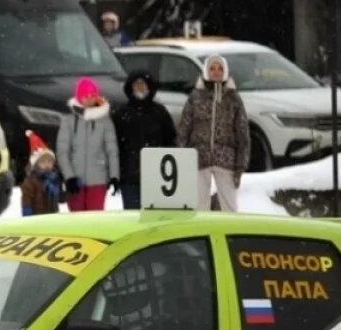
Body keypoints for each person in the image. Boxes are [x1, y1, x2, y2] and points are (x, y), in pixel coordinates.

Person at [177, 55, 250, 212]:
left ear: (225, 72)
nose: (216, 72)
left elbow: (242, 133)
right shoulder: (195, 96)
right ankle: (200, 233)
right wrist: (182, 156)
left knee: (229, 206)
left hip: (226, 160)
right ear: (205, 71)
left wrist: (240, 165)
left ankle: (231, 233)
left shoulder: (233, 98)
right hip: (199, 158)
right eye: (212, 68)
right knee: (198, 206)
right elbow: (184, 127)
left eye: (220, 69)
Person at [112, 70, 177, 210]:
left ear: (149, 87)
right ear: (130, 87)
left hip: (157, 176)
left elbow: (171, 142)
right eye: (137, 84)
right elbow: (114, 146)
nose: (140, 87)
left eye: (143, 84)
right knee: (132, 218)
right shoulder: (121, 113)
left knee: (155, 217)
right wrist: (116, 174)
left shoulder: (159, 112)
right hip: (129, 175)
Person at [57, 77, 119, 212]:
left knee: (94, 219)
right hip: (75, 179)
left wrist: (114, 175)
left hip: (98, 179)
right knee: (76, 220)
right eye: (85, 96)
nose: (89, 99)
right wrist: (69, 176)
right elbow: (63, 151)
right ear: (79, 97)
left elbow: (112, 150)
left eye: (92, 96)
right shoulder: (68, 121)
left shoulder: (105, 121)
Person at [20, 131, 66, 216]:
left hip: (53, 217)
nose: (47, 164)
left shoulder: (55, 179)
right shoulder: (31, 181)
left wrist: (70, 191)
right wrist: (26, 212)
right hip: (37, 218)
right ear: (36, 164)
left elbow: (60, 199)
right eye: (43, 162)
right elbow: (26, 199)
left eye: (49, 161)